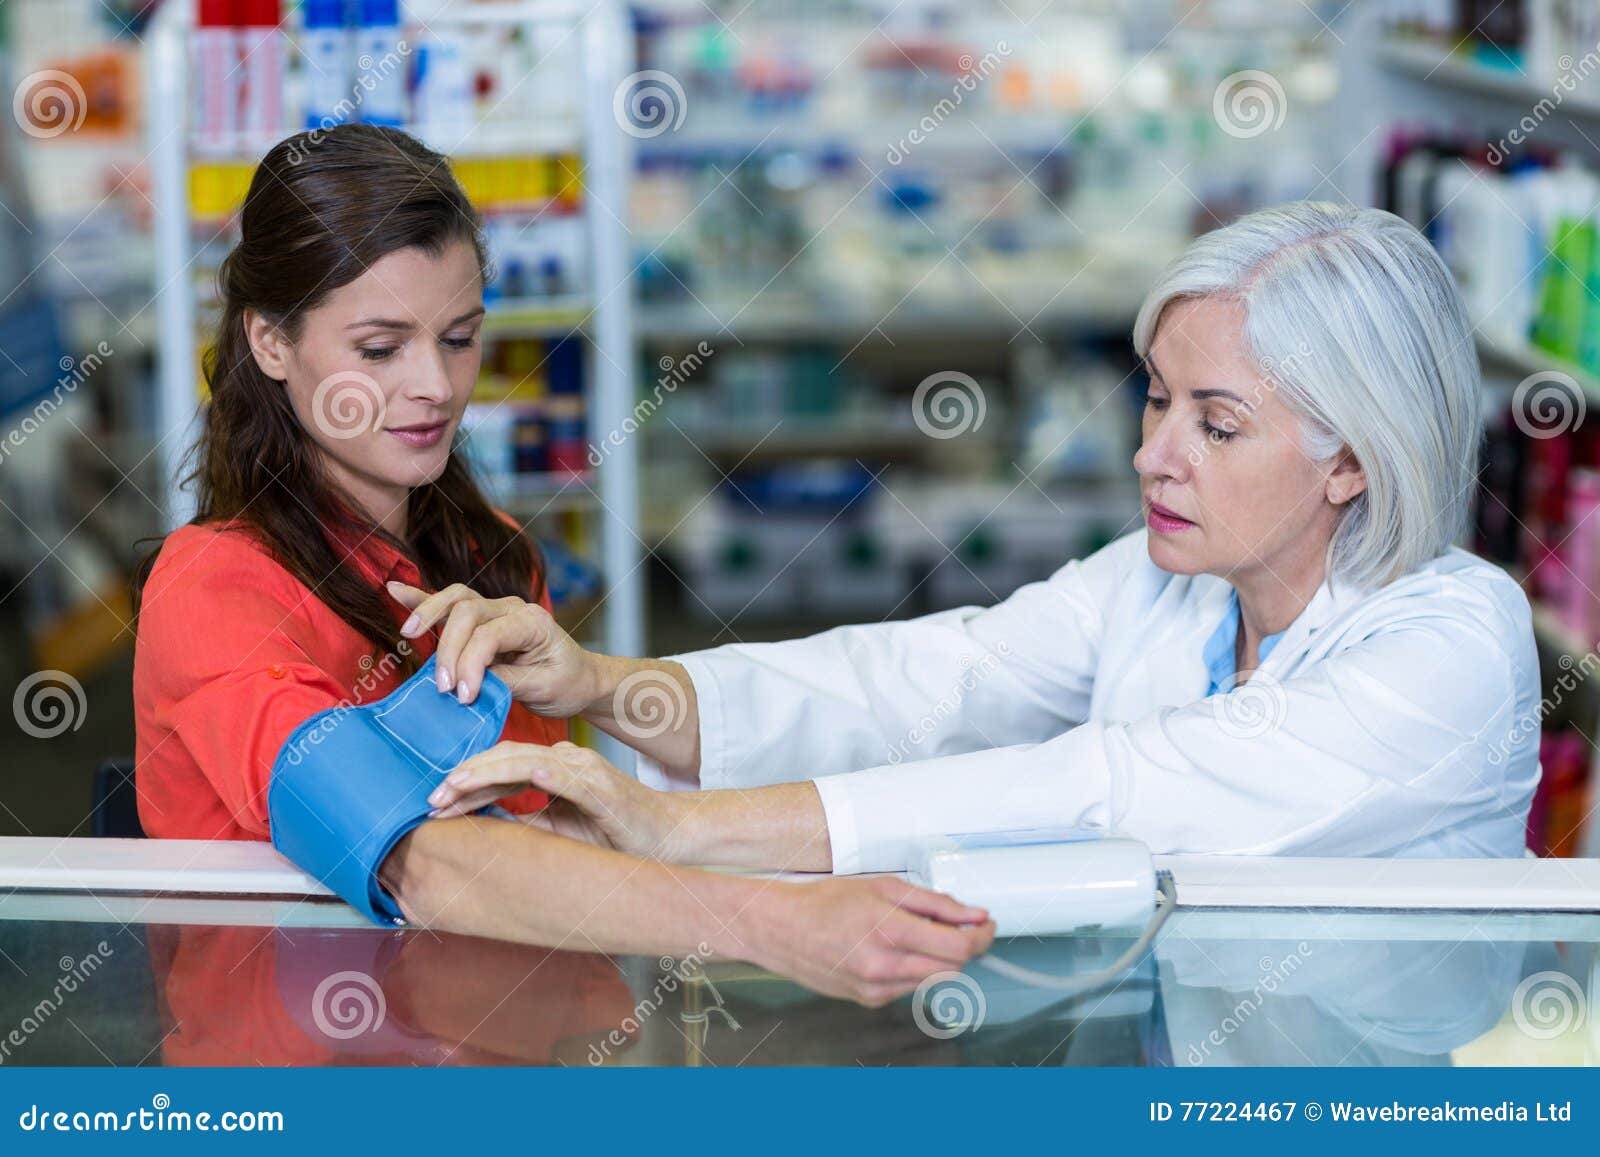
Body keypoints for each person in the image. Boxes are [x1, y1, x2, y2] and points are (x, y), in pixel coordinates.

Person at [132, 124, 994, 1007]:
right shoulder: (215, 590)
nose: (434, 384)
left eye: (460, 337)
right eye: (381, 349)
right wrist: (776, 923)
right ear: (272, 343)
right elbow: (415, 860)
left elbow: (552, 832)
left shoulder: (489, 554)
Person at [421, 201, 1542, 876]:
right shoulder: (1168, 586)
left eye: (1218, 423)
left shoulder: (1455, 641)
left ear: (1353, 455)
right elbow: (925, 676)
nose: (1156, 453)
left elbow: (1100, 788)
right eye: (1156, 399)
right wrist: (608, 683)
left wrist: (686, 829)